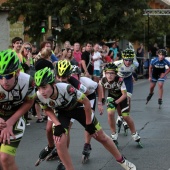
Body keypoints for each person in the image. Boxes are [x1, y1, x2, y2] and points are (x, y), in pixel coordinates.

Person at [34, 67, 136, 170]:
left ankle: (122, 160)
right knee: (59, 141)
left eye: (44, 87)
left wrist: (89, 125)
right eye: (39, 88)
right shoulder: (39, 95)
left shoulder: (67, 88)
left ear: (52, 84)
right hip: (62, 113)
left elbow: (86, 102)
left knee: (101, 137)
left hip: (79, 108)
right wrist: (57, 124)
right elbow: (47, 109)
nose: (41, 91)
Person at [0, 49, 35, 170]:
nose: (4, 81)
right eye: (0, 76)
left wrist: (10, 122)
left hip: (15, 116)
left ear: (18, 72)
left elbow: (29, 101)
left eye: (9, 76)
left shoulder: (28, 81)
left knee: (6, 158)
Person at [101, 63, 141, 147]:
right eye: (108, 73)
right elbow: (102, 88)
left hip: (122, 97)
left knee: (125, 116)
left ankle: (134, 133)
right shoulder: (103, 79)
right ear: (105, 73)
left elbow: (124, 95)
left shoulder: (119, 80)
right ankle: (113, 134)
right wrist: (102, 98)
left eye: (112, 73)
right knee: (110, 113)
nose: (110, 75)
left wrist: (116, 102)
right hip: (111, 96)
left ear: (115, 74)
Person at [114, 49, 139, 133]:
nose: (128, 62)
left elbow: (132, 71)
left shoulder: (135, 64)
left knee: (128, 99)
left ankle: (126, 116)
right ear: (123, 59)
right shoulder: (117, 64)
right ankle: (119, 116)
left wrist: (132, 77)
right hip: (118, 80)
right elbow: (106, 70)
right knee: (118, 99)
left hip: (128, 80)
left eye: (130, 60)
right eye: (126, 60)